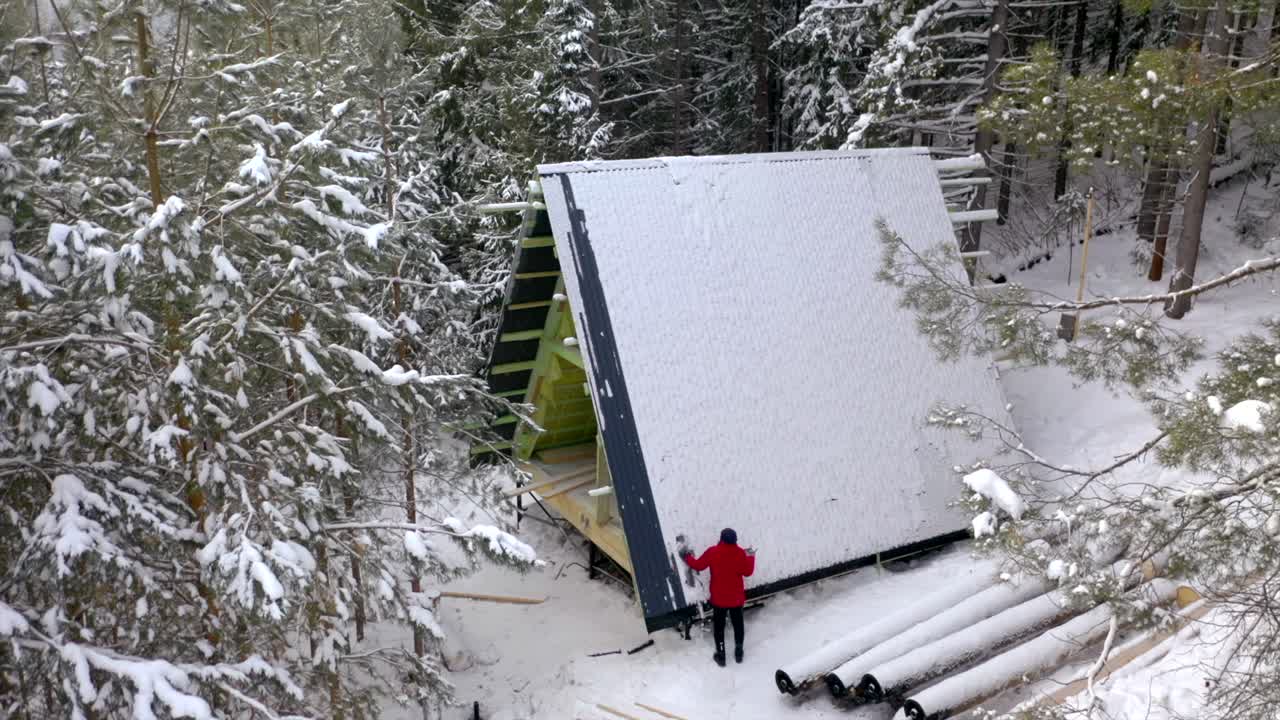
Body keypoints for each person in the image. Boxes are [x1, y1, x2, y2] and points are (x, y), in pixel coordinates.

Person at [683, 528, 756, 666]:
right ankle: (739, 651)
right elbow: (748, 572)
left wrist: (687, 557)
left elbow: (698, 565)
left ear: (721, 539)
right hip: (736, 599)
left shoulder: (713, 552)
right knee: (738, 624)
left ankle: (721, 655)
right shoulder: (740, 553)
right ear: (735, 540)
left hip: (719, 599)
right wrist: (751, 556)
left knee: (719, 627)